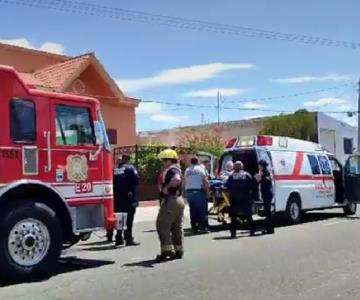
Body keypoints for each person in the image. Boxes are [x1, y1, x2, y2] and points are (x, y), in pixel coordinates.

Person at [156, 149, 185, 261]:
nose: (163, 162)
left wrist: (166, 189)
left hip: (171, 200)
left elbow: (176, 180)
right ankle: (179, 250)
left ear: (170, 160)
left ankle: (167, 251)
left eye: (164, 160)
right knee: (177, 227)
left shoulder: (172, 170)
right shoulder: (177, 168)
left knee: (163, 225)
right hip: (178, 199)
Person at [107, 154, 140, 246]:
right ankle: (128, 238)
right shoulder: (130, 168)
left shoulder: (114, 170)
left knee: (119, 217)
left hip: (117, 198)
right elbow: (136, 181)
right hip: (129, 198)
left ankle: (118, 238)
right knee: (129, 219)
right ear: (127, 159)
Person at [225, 161, 256, 238]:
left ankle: (233, 233)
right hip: (245, 198)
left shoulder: (232, 176)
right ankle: (252, 232)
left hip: (235, 199)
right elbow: (252, 186)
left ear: (234, 167)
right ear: (242, 167)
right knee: (249, 216)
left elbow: (227, 186)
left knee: (234, 217)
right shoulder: (247, 175)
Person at [184, 157, 210, 234]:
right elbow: (205, 182)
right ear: (198, 162)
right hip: (198, 192)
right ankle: (202, 228)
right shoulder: (201, 169)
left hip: (190, 192)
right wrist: (208, 193)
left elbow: (184, 181)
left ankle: (194, 227)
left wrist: (184, 192)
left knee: (193, 210)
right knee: (201, 211)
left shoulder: (187, 170)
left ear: (191, 162)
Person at [256, 160, 275, 235]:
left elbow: (266, 181)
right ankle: (269, 229)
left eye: (260, 165)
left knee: (268, 213)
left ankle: (270, 229)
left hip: (267, 193)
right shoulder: (264, 172)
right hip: (266, 193)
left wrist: (259, 179)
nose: (259, 167)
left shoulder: (266, 172)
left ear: (262, 166)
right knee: (267, 212)